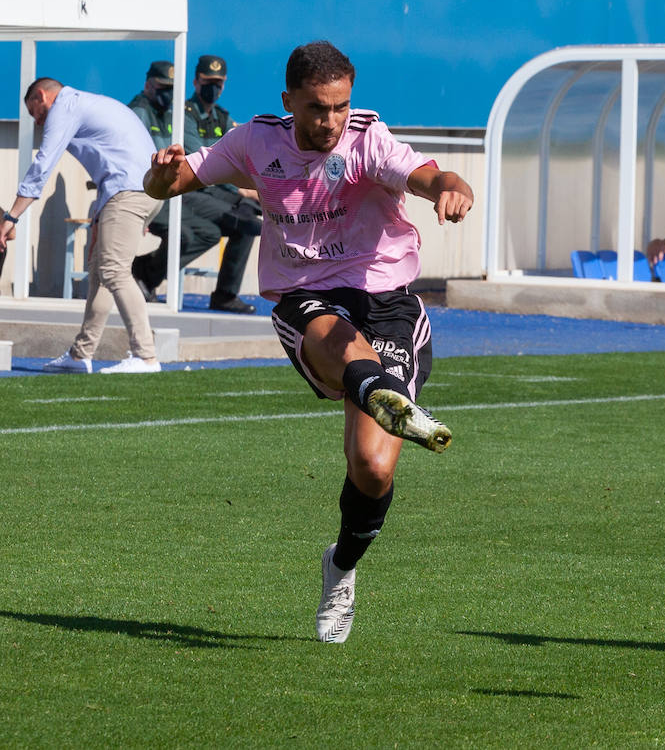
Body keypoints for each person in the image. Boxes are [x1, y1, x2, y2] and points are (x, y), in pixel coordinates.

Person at [143, 40, 474, 644]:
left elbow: (430, 175)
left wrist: (453, 187)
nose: (330, 121)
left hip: (388, 303)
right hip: (308, 298)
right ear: (289, 101)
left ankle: (341, 568)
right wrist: (161, 177)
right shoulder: (255, 140)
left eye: (340, 106)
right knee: (339, 341)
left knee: (372, 468)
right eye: (317, 108)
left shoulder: (368, 139)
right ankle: (381, 391)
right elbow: (172, 181)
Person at [1, 79, 165, 373]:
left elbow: (43, 164)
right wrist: (99, 219)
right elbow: (113, 160)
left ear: (42, 96)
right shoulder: (88, 103)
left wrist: (11, 217)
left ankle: (146, 355)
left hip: (129, 190)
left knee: (113, 271)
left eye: (34, 111)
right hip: (136, 189)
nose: (35, 120)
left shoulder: (65, 107)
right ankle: (81, 354)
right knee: (100, 273)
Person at [131, 54, 262, 314]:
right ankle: (147, 272)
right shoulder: (176, 114)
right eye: (207, 81)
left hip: (210, 189)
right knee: (242, 223)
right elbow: (202, 159)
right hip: (193, 189)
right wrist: (242, 190)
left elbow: (236, 155)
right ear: (196, 81)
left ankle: (223, 293)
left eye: (218, 82)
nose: (213, 88)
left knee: (250, 218)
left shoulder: (220, 117)